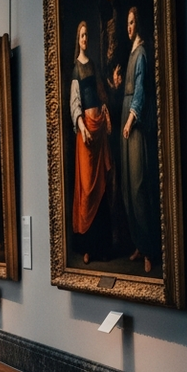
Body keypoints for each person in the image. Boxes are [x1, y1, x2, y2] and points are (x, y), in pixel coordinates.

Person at [70, 20, 113, 264]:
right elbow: (75, 103)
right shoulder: (76, 68)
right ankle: (87, 247)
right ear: (78, 39)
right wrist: (82, 126)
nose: (85, 38)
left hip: (99, 132)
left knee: (101, 188)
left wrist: (105, 109)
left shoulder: (93, 66)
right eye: (82, 35)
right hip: (86, 133)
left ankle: (102, 247)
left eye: (87, 35)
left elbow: (99, 93)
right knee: (87, 189)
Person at [120, 6, 158, 274]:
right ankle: (137, 243)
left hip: (133, 121)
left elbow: (141, 93)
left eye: (132, 22)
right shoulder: (132, 52)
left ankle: (149, 249)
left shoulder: (142, 53)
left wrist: (131, 120)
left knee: (138, 186)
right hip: (124, 115)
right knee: (126, 186)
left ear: (139, 24)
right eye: (127, 23)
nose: (129, 26)